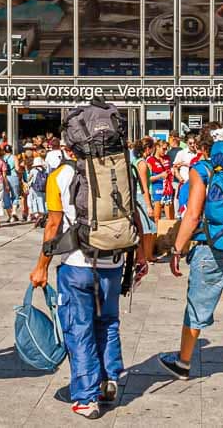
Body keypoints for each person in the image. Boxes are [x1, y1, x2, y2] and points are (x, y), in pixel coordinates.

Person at [30, 145, 137, 419]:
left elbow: (53, 225)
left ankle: (86, 397)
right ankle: (109, 379)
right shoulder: (119, 170)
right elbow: (137, 215)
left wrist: (41, 266)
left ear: (71, 146)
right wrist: (141, 258)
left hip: (76, 265)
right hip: (113, 263)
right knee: (108, 321)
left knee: (80, 331)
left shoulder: (61, 175)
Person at [159, 140, 223, 403]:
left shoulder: (202, 169)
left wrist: (177, 249)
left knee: (196, 309)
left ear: (205, 149)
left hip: (210, 248)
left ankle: (183, 363)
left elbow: (193, 214)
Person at [147, 141, 175, 226]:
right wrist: (160, 175)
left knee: (170, 216)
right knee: (157, 216)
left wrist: (173, 171)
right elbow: (148, 179)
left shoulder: (167, 158)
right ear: (157, 147)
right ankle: (157, 234)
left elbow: (170, 170)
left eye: (166, 149)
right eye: (163, 149)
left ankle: (170, 236)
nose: (165, 151)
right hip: (157, 188)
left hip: (167, 187)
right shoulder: (150, 160)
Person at [26, 155, 48, 225]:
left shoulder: (33, 170)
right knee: (43, 201)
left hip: (35, 188)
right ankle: (43, 213)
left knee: (35, 200)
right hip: (43, 189)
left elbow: (28, 179)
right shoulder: (45, 170)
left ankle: (38, 215)